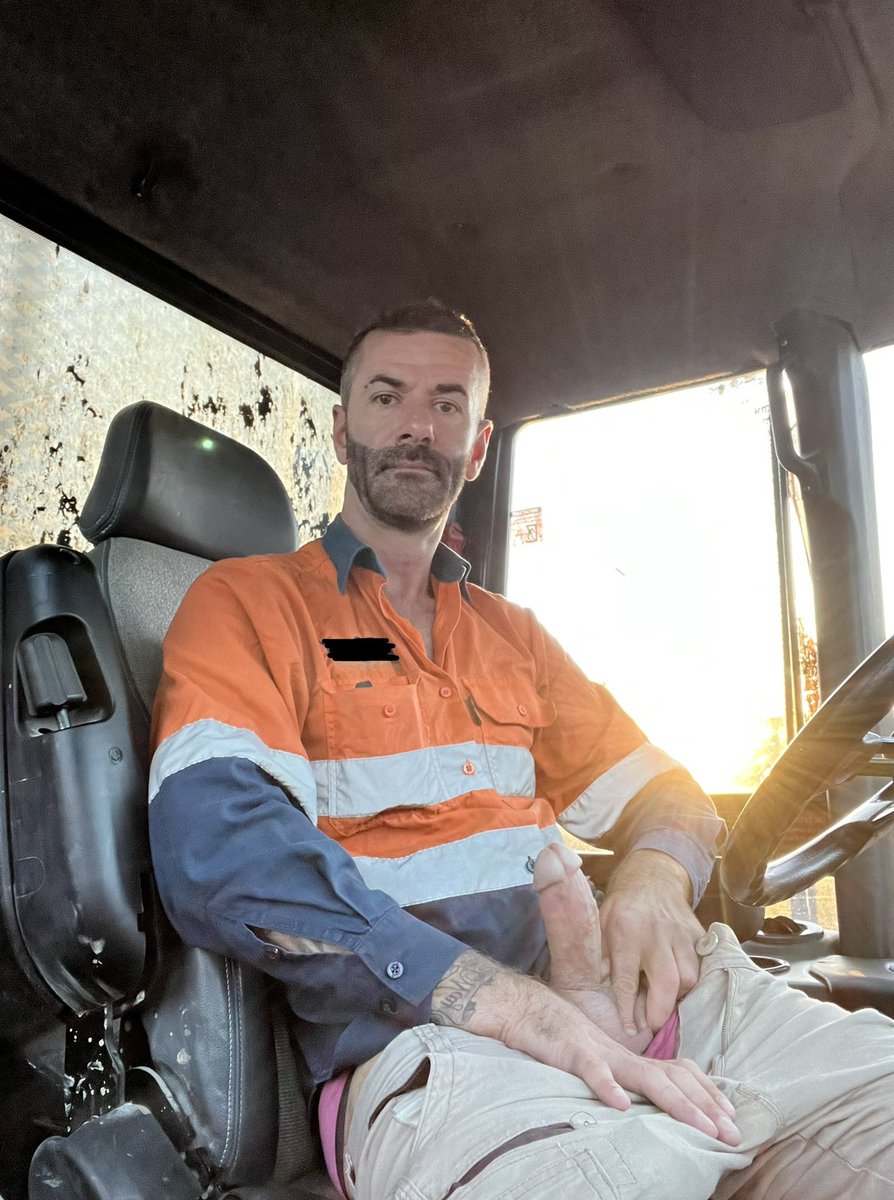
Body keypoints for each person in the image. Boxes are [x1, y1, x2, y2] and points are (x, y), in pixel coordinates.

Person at [149, 303, 894, 1199]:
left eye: (447, 404)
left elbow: (668, 788)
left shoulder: (515, 637)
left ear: (479, 445)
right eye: (387, 397)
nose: (417, 426)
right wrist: (505, 1003)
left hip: (657, 1009)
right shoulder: (249, 603)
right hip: (439, 1053)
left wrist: (655, 878)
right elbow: (221, 848)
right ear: (342, 430)